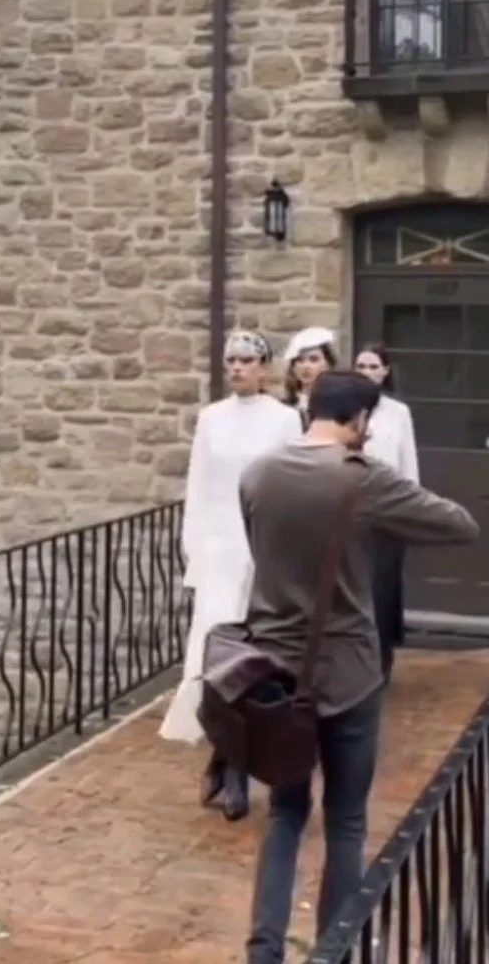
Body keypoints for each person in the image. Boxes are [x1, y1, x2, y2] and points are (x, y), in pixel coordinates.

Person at [238, 371, 479, 964]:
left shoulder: (258, 474)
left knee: (286, 814)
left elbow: (260, 549)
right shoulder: (363, 482)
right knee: (345, 820)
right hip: (346, 671)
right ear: (360, 421)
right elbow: (459, 524)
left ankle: (264, 950)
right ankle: (335, 948)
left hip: (272, 671)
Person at [160, 329, 302, 822]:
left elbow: (291, 485)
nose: (238, 368)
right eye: (232, 360)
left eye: (247, 360)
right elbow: (198, 485)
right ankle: (228, 759)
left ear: (264, 367)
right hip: (220, 550)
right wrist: (193, 547)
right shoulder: (211, 419)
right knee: (214, 658)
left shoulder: (286, 420)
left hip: (262, 550)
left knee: (256, 661)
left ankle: (234, 762)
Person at [354, 343, 419, 681]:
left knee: (383, 586)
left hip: (388, 510)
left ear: (385, 371)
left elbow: (408, 462)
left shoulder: (398, 413)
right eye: (360, 366)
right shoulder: (347, 410)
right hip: (353, 509)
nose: (366, 372)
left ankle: (381, 657)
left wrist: (411, 509)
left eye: (372, 366)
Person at [282, 326, 337, 430]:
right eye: (300, 360)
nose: (306, 366)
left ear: (328, 364)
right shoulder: (284, 406)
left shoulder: (337, 404)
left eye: (314, 359)